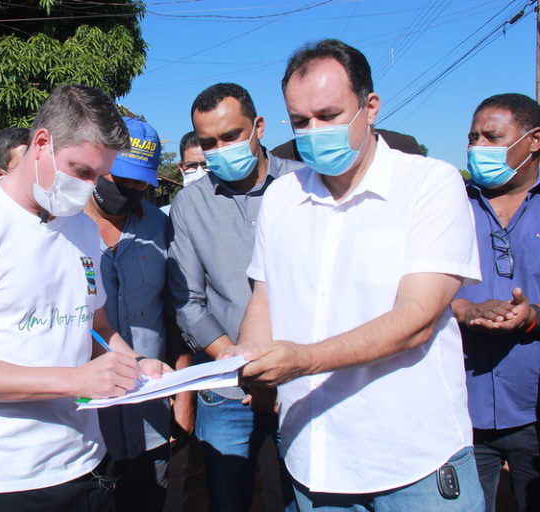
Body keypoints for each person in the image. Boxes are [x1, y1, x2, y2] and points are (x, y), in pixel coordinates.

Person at [226, 38, 484, 511]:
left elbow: (417, 319)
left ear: (370, 107)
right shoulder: (282, 199)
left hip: (413, 462)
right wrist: (250, 359)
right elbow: (264, 298)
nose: (314, 131)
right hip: (313, 457)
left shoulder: (430, 185)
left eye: (329, 115)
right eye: (301, 122)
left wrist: (303, 360)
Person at [0, 84, 168, 512]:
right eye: (80, 171)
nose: (89, 188)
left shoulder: (81, 229)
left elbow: (98, 326)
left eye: (97, 175)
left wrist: (137, 365)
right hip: (1, 479)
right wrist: (75, 381)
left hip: (86, 463)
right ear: (42, 143)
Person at [168, 82, 302, 512]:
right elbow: (188, 300)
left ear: (258, 126)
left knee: (306, 497)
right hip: (225, 388)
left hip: (303, 381)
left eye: (231, 136)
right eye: (208, 142)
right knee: (227, 499)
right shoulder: (191, 203)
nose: (220, 149)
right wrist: (236, 361)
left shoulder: (304, 185)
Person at [451, 93, 540, 512]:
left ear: (534, 140)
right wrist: (463, 311)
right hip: (460, 410)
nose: (477, 149)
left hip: (533, 407)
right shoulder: (450, 205)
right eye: (473, 138)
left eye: (492, 137)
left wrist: (533, 316)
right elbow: (412, 290)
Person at [84, 117, 172, 511]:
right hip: (87, 421)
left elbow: (175, 312)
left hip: (151, 416)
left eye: (141, 183)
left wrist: (180, 401)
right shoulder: (63, 227)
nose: (133, 191)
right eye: (124, 181)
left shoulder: (159, 226)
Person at [271, 128, 425, 160]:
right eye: (300, 121)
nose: (314, 127)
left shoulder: (401, 146)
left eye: (328, 115)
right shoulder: (282, 158)